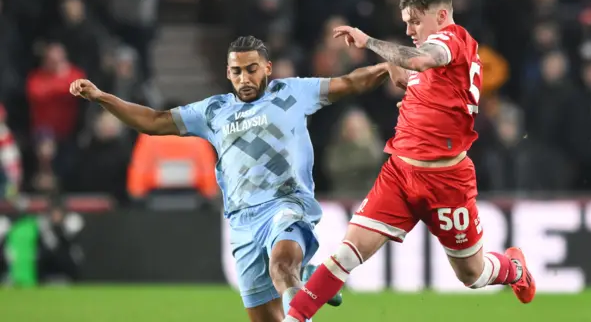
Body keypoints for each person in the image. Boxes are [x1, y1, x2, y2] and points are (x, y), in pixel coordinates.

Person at [69, 35, 391, 322]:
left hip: (285, 204)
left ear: (267, 67)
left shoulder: (291, 92)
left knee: (281, 265)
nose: (244, 78)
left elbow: (350, 83)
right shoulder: (213, 112)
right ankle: (308, 281)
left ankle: (303, 291)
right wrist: (102, 97)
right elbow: (154, 121)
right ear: (227, 73)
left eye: (251, 69)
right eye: (236, 71)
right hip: (241, 223)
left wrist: (390, 67)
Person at [283, 0, 536, 322]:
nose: (410, 31)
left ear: (442, 16)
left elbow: (420, 60)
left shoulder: (452, 41)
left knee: (473, 275)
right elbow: (421, 77)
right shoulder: (433, 57)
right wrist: (394, 71)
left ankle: (514, 269)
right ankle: (295, 317)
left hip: (446, 181)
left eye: (415, 21)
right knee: (346, 253)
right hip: (400, 174)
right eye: (406, 23)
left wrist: (367, 40)